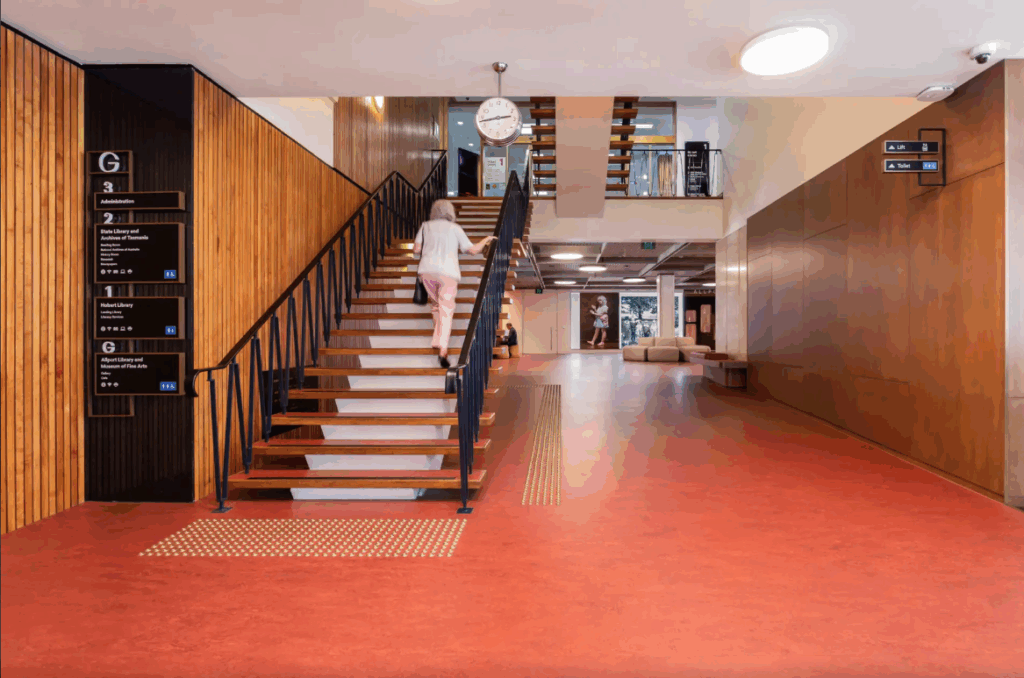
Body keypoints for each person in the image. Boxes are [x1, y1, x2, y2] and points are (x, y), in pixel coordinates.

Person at [413, 199, 496, 368]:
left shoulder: (425, 226)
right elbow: (471, 250)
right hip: (448, 273)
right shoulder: (455, 229)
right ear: (451, 212)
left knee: (436, 306)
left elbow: (416, 250)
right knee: (446, 309)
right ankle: (443, 349)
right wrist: (486, 239)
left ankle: (437, 339)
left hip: (427, 271)